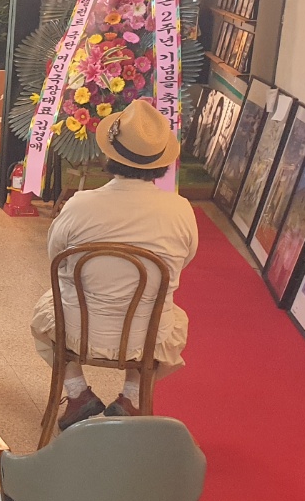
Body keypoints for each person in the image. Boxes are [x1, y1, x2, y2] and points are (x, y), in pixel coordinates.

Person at [31, 98, 198, 427]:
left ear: (110, 156)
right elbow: (183, 262)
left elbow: (56, 259)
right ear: (161, 163)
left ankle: (77, 392)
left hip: (78, 331)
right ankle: (132, 398)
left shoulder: (79, 205)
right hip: (145, 336)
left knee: (46, 311)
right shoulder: (181, 210)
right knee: (166, 314)